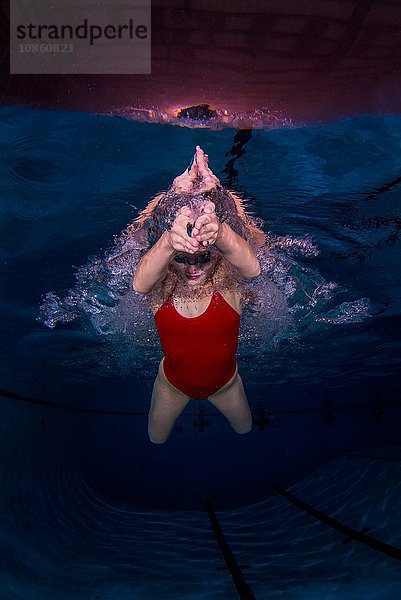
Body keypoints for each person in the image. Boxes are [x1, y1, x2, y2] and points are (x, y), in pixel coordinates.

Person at [133, 146, 262, 443]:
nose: (193, 267)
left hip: (226, 385)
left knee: (245, 429)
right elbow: (139, 285)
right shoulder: (163, 286)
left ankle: (215, 190)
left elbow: (253, 269)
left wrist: (220, 233)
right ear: (170, 259)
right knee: (156, 438)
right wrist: (168, 241)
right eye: (182, 257)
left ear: (216, 257)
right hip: (172, 385)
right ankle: (175, 192)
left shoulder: (225, 284)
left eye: (203, 258)